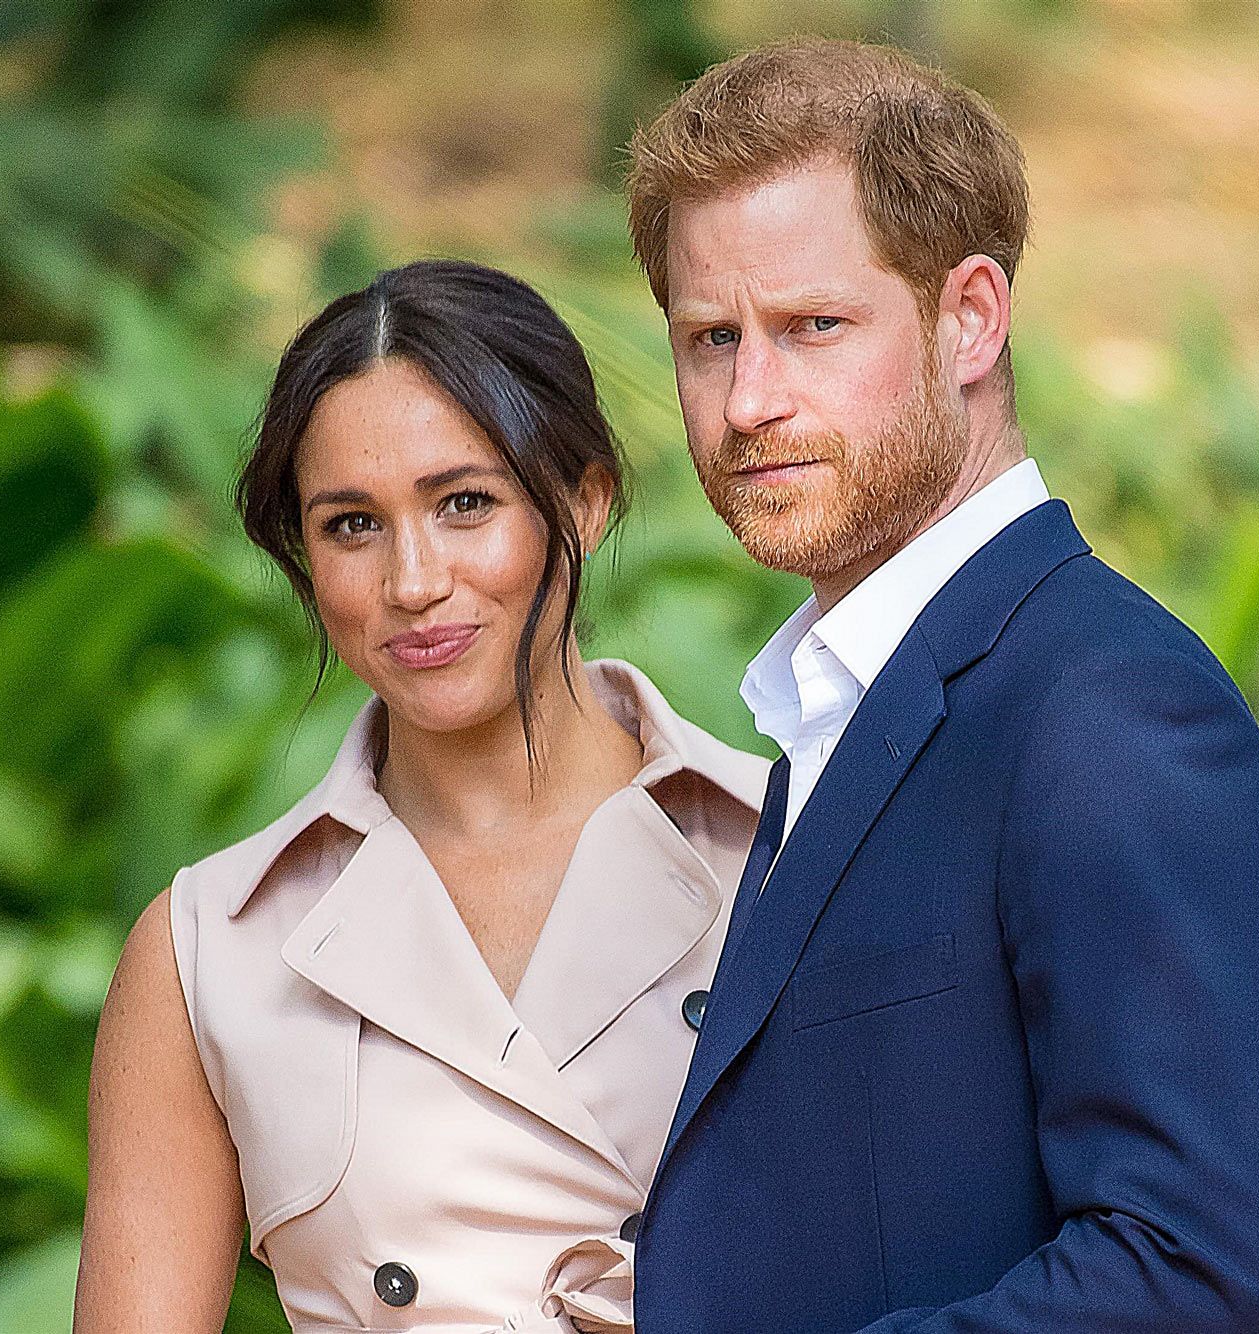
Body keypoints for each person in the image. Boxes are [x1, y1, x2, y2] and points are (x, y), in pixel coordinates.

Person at [622, 38, 1259, 1332]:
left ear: (971, 318)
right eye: (709, 339)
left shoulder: (1110, 717)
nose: (749, 399)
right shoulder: (841, 700)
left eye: (813, 326)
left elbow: (1193, 1279)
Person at [74, 259, 767, 1333]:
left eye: (464, 504)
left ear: (583, 502)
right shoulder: (209, 948)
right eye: (351, 524)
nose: (412, 581)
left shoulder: (790, 849)